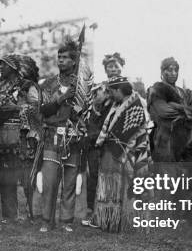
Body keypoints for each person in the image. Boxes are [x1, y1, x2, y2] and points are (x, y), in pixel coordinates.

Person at [37, 38, 91, 233]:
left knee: (69, 182)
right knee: (50, 180)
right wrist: (61, 98)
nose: (60, 60)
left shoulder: (82, 85)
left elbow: (86, 111)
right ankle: (46, 220)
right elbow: (43, 110)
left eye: (65, 58)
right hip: (52, 135)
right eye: (59, 57)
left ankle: (66, 220)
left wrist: (78, 103)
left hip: (73, 137)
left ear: (74, 62)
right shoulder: (49, 83)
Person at [0, 54, 41, 223]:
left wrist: (15, 108)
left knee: (26, 178)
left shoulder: (27, 86)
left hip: (22, 137)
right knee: (5, 178)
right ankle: (10, 216)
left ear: (14, 68)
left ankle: (33, 214)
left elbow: (36, 107)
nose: (0, 68)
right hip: (2, 138)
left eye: (4, 65)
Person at [92, 77, 152, 232]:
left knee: (126, 186)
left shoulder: (136, 105)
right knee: (112, 186)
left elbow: (127, 134)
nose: (110, 95)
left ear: (119, 90)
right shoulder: (116, 104)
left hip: (130, 153)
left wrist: (112, 146)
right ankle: (110, 220)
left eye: (112, 91)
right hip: (115, 151)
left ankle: (128, 222)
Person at [82, 52, 125, 226]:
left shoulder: (126, 87)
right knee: (94, 175)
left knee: (115, 176)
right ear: (105, 69)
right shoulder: (99, 88)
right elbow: (93, 112)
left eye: (116, 66)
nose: (113, 69)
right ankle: (93, 212)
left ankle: (114, 214)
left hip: (116, 140)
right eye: (110, 66)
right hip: (97, 137)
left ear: (122, 67)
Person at [147, 57, 192, 163]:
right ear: (162, 72)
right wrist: (188, 112)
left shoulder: (185, 93)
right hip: (165, 141)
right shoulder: (156, 90)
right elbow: (163, 113)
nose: (173, 73)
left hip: (186, 141)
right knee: (168, 176)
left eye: (176, 70)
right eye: (169, 70)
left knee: (186, 177)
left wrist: (174, 105)